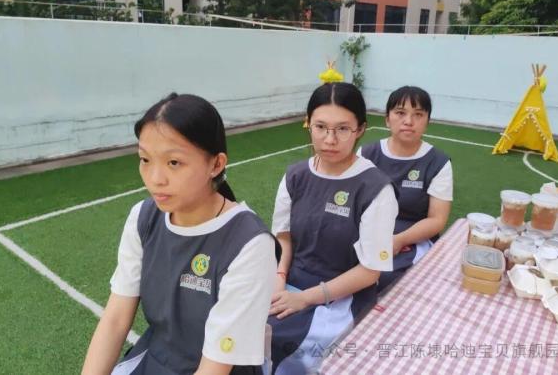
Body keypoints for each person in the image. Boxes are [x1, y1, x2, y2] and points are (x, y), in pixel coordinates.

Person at [82, 93, 278, 375]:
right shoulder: (144, 218)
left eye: (174, 162)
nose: (155, 179)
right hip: (157, 361)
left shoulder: (249, 244)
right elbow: (115, 319)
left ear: (216, 164)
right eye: (145, 159)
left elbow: (215, 368)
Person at [268, 82, 397, 375]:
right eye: (320, 127)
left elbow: (370, 271)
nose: (330, 139)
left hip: (342, 296)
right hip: (290, 280)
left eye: (342, 129)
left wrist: (304, 298)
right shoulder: (295, 175)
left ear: (360, 129)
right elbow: (284, 238)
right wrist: (279, 277)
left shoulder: (376, 188)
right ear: (308, 125)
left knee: (285, 343)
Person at [360, 86, 453, 293]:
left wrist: (399, 240)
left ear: (427, 121)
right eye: (400, 113)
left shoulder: (438, 162)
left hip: (411, 240)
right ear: (387, 119)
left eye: (418, 114)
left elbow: (437, 220)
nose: (408, 121)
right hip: (368, 234)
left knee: (386, 280)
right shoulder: (366, 154)